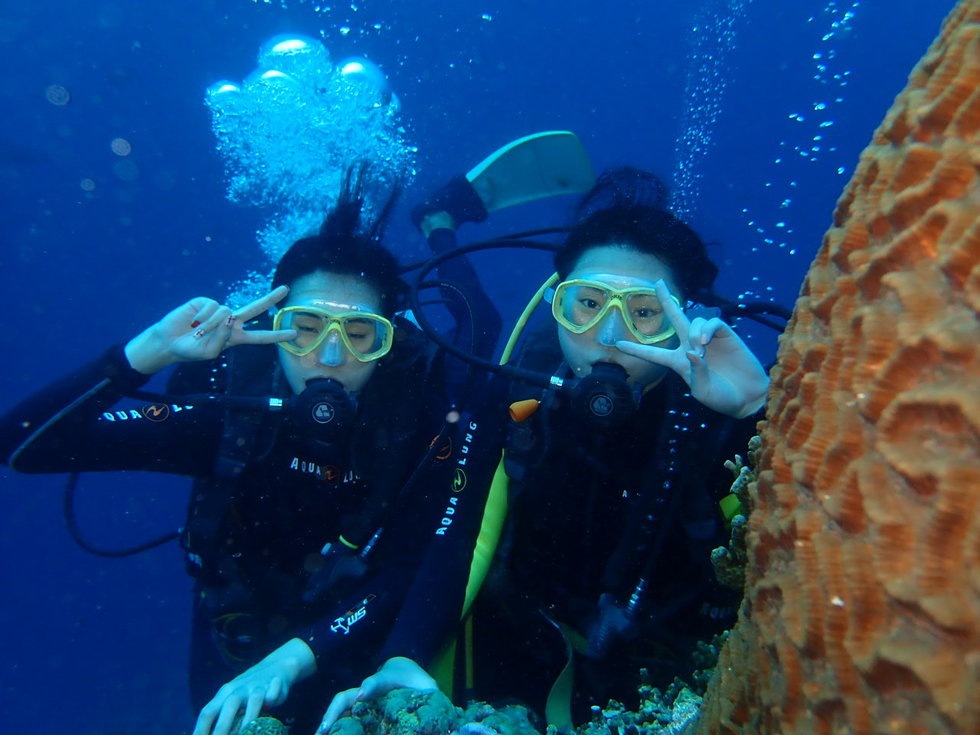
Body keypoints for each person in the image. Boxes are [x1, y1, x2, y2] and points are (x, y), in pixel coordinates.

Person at [0, 166, 504, 735]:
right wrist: (150, 351)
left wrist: (298, 655)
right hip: (238, 631)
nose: (330, 357)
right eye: (303, 328)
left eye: (360, 334)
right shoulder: (229, 410)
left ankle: (438, 223)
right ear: (272, 325)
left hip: (357, 628)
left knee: (480, 333)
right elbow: (21, 445)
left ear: (388, 340)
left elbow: (415, 561)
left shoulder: (417, 419)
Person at [320, 166, 770, 730]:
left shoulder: (716, 412)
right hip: (522, 637)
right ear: (557, 303)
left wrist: (758, 414)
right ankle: (440, 224)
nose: (609, 337)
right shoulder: (516, 397)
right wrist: (405, 654)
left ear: (682, 322)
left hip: (674, 664)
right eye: (588, 304)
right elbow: (463, 534)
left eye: (644, 312)